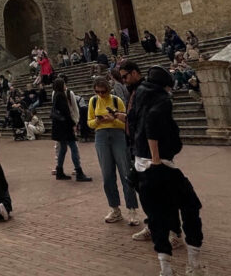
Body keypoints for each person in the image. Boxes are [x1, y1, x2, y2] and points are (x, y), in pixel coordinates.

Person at [131, 66, 206, 276]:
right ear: (165, 86)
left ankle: (165, 268)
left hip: (140, 164)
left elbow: (134, 123)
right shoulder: (161, 100)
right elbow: (153, 123)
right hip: (160, 165)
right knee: (191, 206)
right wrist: (156, 158)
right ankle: (194, 264)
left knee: (156, 217)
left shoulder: (139, 96)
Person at [87, 76, 140, 225]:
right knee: (107, 174)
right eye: (97, 91)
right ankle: (114, 208)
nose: (101, 94)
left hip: (117, 135)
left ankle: (132, 209)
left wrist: (113, 119)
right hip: (101, 137)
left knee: (125, 173)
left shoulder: (117, 100)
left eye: (103, 91)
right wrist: (98, 120)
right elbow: (89, 123)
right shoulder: (94, 101)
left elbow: (126, 123)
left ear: (108, 90)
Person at [50, 78, 90, 182]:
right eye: (64, 84)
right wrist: (73, 124)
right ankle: (79, 171)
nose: (65, 86)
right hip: (65, 127)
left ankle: (59, 170)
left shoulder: (55, 95)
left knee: (63, 149)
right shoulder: (62, 95)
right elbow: (66, 113)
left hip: (59, 127)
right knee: (73, 148)